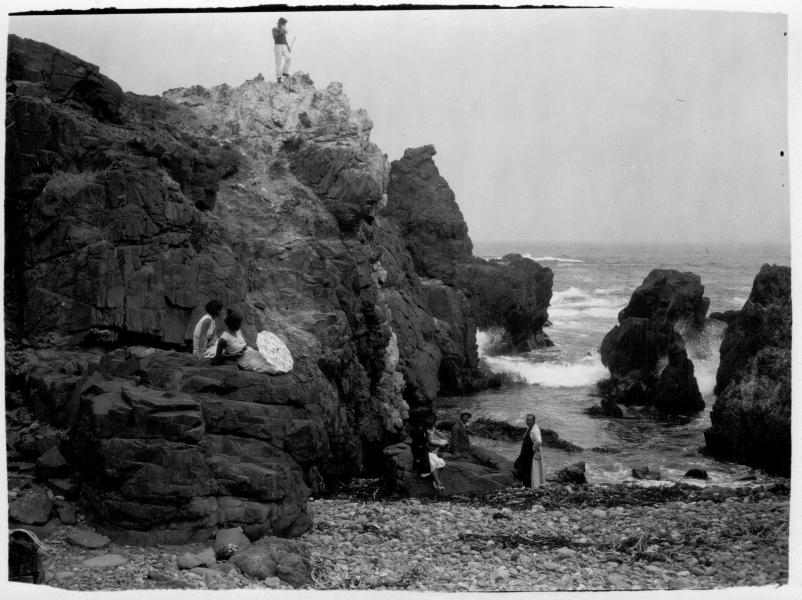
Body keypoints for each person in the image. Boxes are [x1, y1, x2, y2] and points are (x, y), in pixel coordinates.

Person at [213, 311, 284, 374]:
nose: (240, 326)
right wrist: (233, 356)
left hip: (250, 351)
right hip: (244, 360)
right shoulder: (224, 339)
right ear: (233, 324)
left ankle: (280, 367)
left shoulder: (237, 330)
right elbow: (217, 358)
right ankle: (276, 370)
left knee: (268, 358)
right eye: (239, 324)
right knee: (265, 367)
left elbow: (239, 343)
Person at [513, 413, 546, 488]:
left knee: (528, 470)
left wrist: (533, 449)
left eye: (529, 420)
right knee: (519, 465)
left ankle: (527, 486)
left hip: (529, 454)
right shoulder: (530, 428)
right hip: (525, 453)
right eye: (527, 420)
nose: (527, 422)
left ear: (534, 421)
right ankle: (523, 484)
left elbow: (539, 441)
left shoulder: (535, 430)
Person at [425, 417, 448, 493]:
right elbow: (430, 441)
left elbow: (438, 433)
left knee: (437, 463)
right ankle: (438, 482)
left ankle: (435, 481)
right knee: (433, 463)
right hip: (428, 447)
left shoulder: (433, 428)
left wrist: (445, 439)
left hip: (433, 447)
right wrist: (439, 443)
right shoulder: (427, 431)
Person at [272, 17, 292, 83]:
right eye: (283, 24)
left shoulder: (283, 30)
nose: (284, 25)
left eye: (284, 24)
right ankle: (278, 77)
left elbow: (285, 39)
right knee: (278, 61)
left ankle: (284, 72)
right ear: (279, 23)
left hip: (283, 46)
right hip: (277, 46)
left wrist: (288, 47)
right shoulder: (274, 29)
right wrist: (282, 31)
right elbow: (275, 36)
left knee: (289, 58)